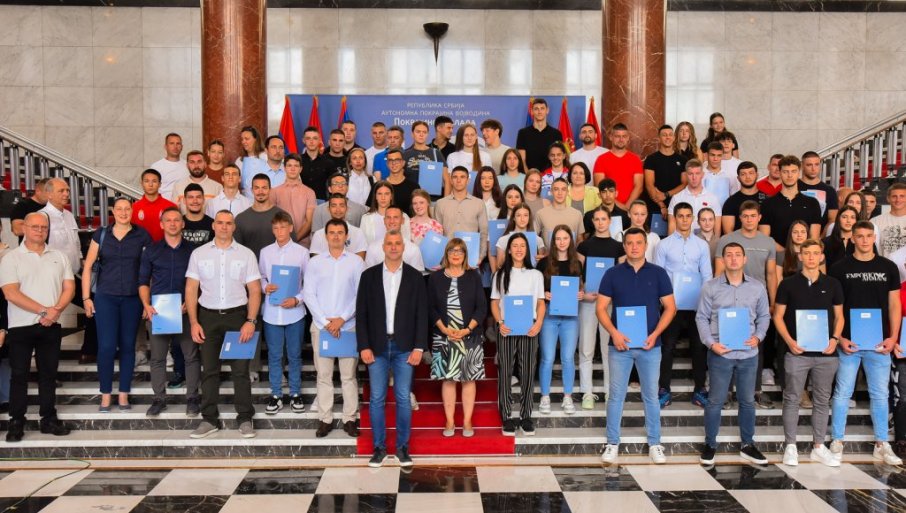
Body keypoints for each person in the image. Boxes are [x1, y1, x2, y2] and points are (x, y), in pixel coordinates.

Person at [598, 227, 676, 464]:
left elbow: (670, 308)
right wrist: (614, 333)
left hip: (650, 345)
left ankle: (655, 443)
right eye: (629, 243)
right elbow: (600, 308)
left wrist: (655, 334)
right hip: (619, 346)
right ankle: (612, 443)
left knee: (651, 395)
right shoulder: (612, 274)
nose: (634, 247)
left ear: (645, 245)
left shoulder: (658, 273)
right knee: (616, 396)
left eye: (638, 243)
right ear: (624, 246)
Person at [827, 221, 903, 465]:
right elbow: (834, 307)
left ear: (874, 238)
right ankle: (837, 440)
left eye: (869, 236)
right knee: (842, 393)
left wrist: (893, 336)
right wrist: (840, 337)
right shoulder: (839, 268)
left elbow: (894, 305)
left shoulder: (888, 267)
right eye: (859, 236)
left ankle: (882, 443)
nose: (864, 240)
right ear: (852, 239)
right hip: (849, 343)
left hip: (880, 343)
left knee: (880, 394)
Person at [186, 210, 261, 440]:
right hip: (207, 318)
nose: (224, 227)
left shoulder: (246, 254)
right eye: (220, 222)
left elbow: (254, 290)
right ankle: (209, 419)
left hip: (237, 318)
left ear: (234, 227)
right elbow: (191, 288)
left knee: (241, 371)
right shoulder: (199, 254)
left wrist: (250, 321)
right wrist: (194, 322)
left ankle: (245, 418)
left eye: (228, 223)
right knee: (209, 370)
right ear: (213, 226)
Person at [357, 230, 429, 468]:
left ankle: (402, 448)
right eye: (390, 243)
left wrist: (419, 347)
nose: (394, 247)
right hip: (376, 347)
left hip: (405, 347)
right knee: (377, 398)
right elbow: (362, 314)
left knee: (403, 398)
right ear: (383, 246)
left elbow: (422, 314)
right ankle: (378, 448)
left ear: (404, 247)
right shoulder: (368, 276)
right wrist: (363, 345)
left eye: (398, 243)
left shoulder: (415, 277)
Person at [1, 212, 74, 442]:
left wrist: (56, 311)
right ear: (24, 228)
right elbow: (10, 293)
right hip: (21, 326)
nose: (40, 231)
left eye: (44, 227)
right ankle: (16, 421)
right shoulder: (11, 258)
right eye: (35, 227)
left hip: (51, 325)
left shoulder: (59, 256)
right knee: (19, 375)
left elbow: (69, 288)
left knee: (48, 375)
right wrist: (44, 311)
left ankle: (48, 419)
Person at [695, 242, 771, 465]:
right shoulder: (710, 287)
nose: (734, 258)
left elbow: (764, 316)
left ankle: (748, 445)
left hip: (748, 354)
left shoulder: (757, 287)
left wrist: (758, 337)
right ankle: (710, 444)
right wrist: (711, 344)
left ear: (745, 259)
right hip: (721, 354)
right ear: (723, 260)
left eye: (738, 255)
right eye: (729, 255)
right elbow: (701, 317)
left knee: (747, 401)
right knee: (715, 401)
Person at [773, 238, 843, 467]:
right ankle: (790, 447)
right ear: (800, 256)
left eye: (815, 253)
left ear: (822, 256)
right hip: (797, 352)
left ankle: (818, 447)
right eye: (807, 253)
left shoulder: (833, 284)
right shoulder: (788, 284)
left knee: (822, 400)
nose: (811, 257)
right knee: (792, 398)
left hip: (826, 353)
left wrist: (835, 339)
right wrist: (790, 341)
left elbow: (840, 317)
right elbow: (777, 316)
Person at [82, 198, 152, 411]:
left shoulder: (142, 235)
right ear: (113, 211)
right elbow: (88, 267)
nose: (123, 212)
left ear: (132, 211)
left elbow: (149, 270)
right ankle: (105, 394)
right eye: (119, 209)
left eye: (127, 209)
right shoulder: (102, 234)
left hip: (132, 299)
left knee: (128, 346)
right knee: (106, 346)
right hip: (106, 298)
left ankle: (123, 394)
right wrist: (86, 298)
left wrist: (146, 302)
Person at [714, 201, 779, 407]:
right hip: (729, 298)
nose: (749, 219)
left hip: (756, 300)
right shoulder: (727, 240)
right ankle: (726, 392)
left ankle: (756, 390)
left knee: (755, 343)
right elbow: (718, 272)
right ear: (740, 218)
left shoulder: (768, 242)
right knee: (727, 344)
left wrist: (773, 302)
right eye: (745, 216)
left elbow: (771, 274)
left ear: (759, 218)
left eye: (753, 216)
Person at [304, 219, 364, 438]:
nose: (336, 236)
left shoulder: (356, 262)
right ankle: (325, 419)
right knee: (324, 376)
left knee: (349, 376)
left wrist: (342, 319)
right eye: (332, 232)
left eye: (340, 232)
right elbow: (308, 294)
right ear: (325, 236)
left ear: (346, 236)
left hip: (348, 326)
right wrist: (325, 322)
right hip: (322, 327)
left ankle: (350, 419)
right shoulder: (315, 263)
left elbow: (360, 294)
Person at [138, 207, 201, 417]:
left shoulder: (194, 251)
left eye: (176, 220)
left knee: (191, 356)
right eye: (168, 220)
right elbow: (143, 281)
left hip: (186, 311)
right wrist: (146, 305)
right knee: (157, 358)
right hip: (159, 312)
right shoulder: (151, 251)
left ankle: (192, 398)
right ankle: (159, 399)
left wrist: (191, 303)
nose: (173, 224)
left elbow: (202, 282)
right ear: (162, 224)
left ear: (183, 224)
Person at [654, 202, 713, 408]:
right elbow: (659, 275)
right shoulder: (664, 245)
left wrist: (705, 304)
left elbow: (707, 276)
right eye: (681, 216)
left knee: (699, 347)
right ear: (675, 218)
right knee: (667, 347)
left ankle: (699, 390)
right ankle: (664, 389)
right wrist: (665, 302)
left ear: (693, 218)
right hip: (672, 305)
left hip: (696, 305)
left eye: (688, 216)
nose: (685, 219)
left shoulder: (702, 245)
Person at [427, 238, 487, 437]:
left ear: (465, 255)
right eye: (452, 250)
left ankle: (467, 421)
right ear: (446, 253)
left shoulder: (473, 276)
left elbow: (482, 307)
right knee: (448, 379)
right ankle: (450, 421)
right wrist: (444, 329)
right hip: (443, 336)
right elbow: (430, 308)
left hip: (469, 336)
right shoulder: (435, 278)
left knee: (469, 379)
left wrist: (467, 329)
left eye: (460, 251)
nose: (456, 254)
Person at [491, 233, 545, 436]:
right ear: (509, 250)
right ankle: (506, 415)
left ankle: (526, 416)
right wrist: (499, 322)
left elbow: (540, 302)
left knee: (528, 372)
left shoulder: (535, 275)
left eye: (523, 246)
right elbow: (495, 302)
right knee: (505, 371)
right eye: (515, 245)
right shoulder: (500, 275)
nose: (519, 249)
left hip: (530, 328)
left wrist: (538, 323)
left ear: (527, 250)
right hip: (506, 328)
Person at [41, 178, 96, 364]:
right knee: (48, 318)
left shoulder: (69, 215)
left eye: (67, 190)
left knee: (93, 304)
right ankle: (45, 363)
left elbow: (76, 245)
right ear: (49, 194)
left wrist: (82, 264)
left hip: (71, 277)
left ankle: (89, 351)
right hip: (51, 278)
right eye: (61, 191)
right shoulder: (42, 217)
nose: (66, 194)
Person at [259, 211, 310, 415]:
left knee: (295, 354)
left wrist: (297, 299)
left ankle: (295, 393)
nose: (279, 231)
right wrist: (265, 287)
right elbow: (261, 277)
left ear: (290, 228)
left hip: (295, 313)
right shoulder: (265, 252)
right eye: (276, 228)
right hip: (272, 313)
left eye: (283, 227)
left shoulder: (301, 252)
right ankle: (276, 395)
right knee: (274, 355)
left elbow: (309, 283)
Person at [576, 206, 625, 409]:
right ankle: (587, 392)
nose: (600, 222)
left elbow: (622, 275)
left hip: (609, 304)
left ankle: (609, 391)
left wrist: (613, 296)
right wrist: (583, 293)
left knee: (608, 349)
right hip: (588, 302)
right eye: (597, 219)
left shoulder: (619, 247)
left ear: (610, 221)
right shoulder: (584, 246)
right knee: (586, 348)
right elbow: (578, 275)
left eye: (604, 219)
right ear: (593, 222)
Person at [537, 225, 584, 415]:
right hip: (549, 315)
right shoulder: (544, 263)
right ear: (553, 241)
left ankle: (567, 397)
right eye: (558, 238)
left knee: (568, 358)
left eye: (565, 238)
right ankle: (545, 397)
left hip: (570, 317)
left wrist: (580, 294)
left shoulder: (577, 263)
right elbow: (536, 290)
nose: (562, 242)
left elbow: (580, 287)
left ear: (570, 240)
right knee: (547, 357)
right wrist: (544, 294)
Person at [759, 155, 823, 250]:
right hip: (777, 256)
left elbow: (814, 238)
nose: (790, 175)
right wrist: (786, 254)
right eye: (785, 172)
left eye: (793, 171)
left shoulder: (812, 203)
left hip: (805, 255)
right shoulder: (767, 204)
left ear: (799, 173)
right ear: (780, 173)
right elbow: (764, 237)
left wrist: (801, 254)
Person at [434, 167, 490, 260]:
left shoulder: (479, 203)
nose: (458, 180)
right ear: (451, 180)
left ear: (468, 180)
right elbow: (437, 234)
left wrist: (481, 256)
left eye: (462, 177)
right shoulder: (440, 203)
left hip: (470, 257)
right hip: (447, 257)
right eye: (455, 177)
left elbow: (484, 232)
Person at [234, 174, 289, 257]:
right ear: (252, 190)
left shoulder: (283, 217)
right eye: (257, 188)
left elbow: (290, 248)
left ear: (270, 190)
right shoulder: (240, 219)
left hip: (276, 264)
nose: (260, 192)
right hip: (249, 264)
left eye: (264, 188)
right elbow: (236, 251)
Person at [592, 123, 643, 210]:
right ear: (611, 137)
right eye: (617, 136)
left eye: (624, 136)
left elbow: (639, 186)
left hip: (631, 208)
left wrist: (627, 207)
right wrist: (621, 207)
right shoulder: (601, 159)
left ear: (628, 138)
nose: (621, 139)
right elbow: (599, 186)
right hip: (608, 209)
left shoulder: (635, 159)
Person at [270, 153, 316, 246]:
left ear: (301, 169)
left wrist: (294, 240)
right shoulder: (274, 192)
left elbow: (309, 221)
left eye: (296, 166)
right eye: (289, 165)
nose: (293, 169)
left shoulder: (309, 192)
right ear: (284, 168)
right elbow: (272, 219)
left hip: (303, 244)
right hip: (280, 243)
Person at [666, 160, 721, 236]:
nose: (694, 177)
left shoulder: (712, 198)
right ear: (686, 175)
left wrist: (714, 242)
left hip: (706, 241)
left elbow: (717, 229)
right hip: (682, 240)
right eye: (690, 174)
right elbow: (672, 226)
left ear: (702, 175)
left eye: (697, 173)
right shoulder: (677, 198)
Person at [644, 124, 688, 218]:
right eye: (664, 135)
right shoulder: (651, 159)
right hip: (656, 207)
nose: (668, 137)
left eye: (670, 135)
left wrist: (666, 194)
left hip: (677, 207)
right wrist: (662, 206)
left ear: (674, 138)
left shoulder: (683, 160)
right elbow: (649, 185)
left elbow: (684, 184)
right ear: (659, 138)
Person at [310, 194, 367, 258]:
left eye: (342, 206)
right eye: (334, 206)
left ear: (347, 208)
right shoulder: (318, 234)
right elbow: (316, 261)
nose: (338, 210)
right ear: (328, 209)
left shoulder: (358, 233)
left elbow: (360, 260)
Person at [494, 204, 546, 272]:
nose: (522, 219)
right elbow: (498, 266)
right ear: (514, 218)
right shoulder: (503, 240)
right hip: (510, 275)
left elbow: (541, 267)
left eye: (525, 215)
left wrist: (541, 261)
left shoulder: (538, 240)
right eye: (518, 215)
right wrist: (506, 256)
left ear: (529, 218)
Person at [720, 161, 767, 235]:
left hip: (761, 241)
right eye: (743, 174)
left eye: (751, 173)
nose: (747, 177)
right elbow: (728, 232)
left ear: (757, 175)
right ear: (738, 178)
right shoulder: (730, 202)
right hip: (737, 241)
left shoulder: (767, 200)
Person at [132, 168, 177, 242]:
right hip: (141, 248)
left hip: (165, 247)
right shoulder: (134, 207)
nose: (150, 185)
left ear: (159, 184)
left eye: (154, 181)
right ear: (142, 184)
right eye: (147, 181)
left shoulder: (171, 207)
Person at [361, 181, 412, 245]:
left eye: (386, 194)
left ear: (391, 196)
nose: (383, 198)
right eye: (380, 194)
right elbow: (362, 244)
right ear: (375, 196)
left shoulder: (403, 216)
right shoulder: (366, 218)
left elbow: (407, 242)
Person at [536, 178, 584, 245]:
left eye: (563, 189)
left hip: (571, 252)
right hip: (548, 252)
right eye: (556, 189)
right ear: (551, 192)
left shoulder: (577, 214)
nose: (560, 193)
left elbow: (580, 240)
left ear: (567, 192)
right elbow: (534, 237)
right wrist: (542, 249)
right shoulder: (540, 213)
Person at [800, 151, 839, 232]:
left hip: (821, 237)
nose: (813, 169)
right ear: (802, 166)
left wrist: (821, 237)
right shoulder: (793, 187)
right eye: (809, 165)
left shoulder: (830, 190)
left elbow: (832, 220)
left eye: (816, 164)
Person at [372, 148, 419, 215]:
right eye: (390, 160)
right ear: (387, 164)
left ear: (403, 163)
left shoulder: (414, 187)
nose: (393, 163)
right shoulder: (377, 186)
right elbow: (372, 211)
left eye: (397, 160)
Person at [403, 120, 445, 185]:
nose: (421, 134)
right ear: (412, 134)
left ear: (427, 135)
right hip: (410, 191)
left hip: (431, 191)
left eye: (424, 132)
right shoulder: (405, 154)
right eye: (418, 132)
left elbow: (446, 180)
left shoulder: (436, 153)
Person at [871, 183, 906, 257]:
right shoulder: (875, 222)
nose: (898, 200)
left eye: (902, 196)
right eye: (894, 196)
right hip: (883, 264)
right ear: (888, 198)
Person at [150, 132, 188, 199]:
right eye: (172, 143)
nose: (175, 147)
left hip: (184, 204)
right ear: (165, 146)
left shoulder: (188, 165)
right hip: (164, 204)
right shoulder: (156, 167)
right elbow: (151, 189)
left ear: (182, 147)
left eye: (178, 143)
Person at [10, 177, 49, 242]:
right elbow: (17, 230)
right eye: (48, 192)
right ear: (38, 191)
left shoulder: (53, 207)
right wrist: (48, 227)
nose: (51, 196)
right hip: (30, 247)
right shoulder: (22, 205)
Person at [300, 127, 333, 200]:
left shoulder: (328, 162)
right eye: (308, 138)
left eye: (315, 138)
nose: (311, 141)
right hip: (301, 201)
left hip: (322, 202)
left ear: (319, 140)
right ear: (303, 140)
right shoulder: (297, 161)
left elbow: (332, 185)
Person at [702, 142, 737, 207]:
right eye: (712, 155)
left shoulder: (729, 176)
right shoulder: (700, 175)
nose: (715, 159)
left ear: (722, 156)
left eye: (719, 155)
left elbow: (734, 197)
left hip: (724, 211)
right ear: (707, 155)